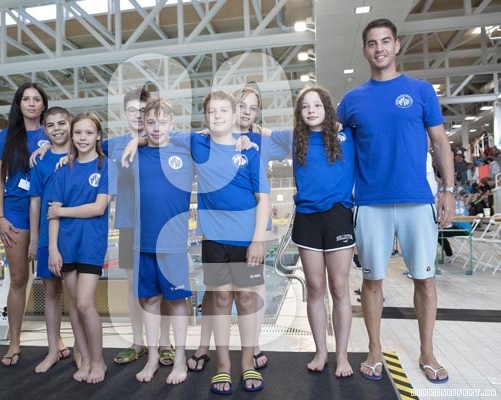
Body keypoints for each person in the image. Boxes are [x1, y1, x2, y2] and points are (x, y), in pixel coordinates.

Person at [337, 18, 454, 383]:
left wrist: (448, 190)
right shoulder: (352, 101)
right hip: (370, 202)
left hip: (417, 199)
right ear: (365, 51)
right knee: (372, 280)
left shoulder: (420, 91)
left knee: (425, 279)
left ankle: (427, 352)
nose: (380, 48)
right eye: (373, 43)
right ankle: (374, 349)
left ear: (397, 45)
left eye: (385, 41)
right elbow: (329, 143)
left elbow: (441, 144)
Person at [187, 86, 277, 372]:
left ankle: (247, 361)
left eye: (224, 110)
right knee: (221, 298)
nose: (217, 115)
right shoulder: (197, 143)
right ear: (205, 117)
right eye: (211, 112)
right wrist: (134, 141)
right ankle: (223, 365)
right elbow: (160, 134)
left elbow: (263, 199)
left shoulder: (249, 151)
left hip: (246, 238)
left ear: (234, 114)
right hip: (214, 240)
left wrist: (258, 240)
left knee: (247, 298)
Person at [268, 86, 355, 378]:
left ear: (327, 109)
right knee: (316, 288)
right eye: (305, 106)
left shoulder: (347, 135)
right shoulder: (295, 138)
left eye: (317, 105)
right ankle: (321, 351)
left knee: (339, 287)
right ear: (299, 112)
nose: (311, 111)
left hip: (338, 216)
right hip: (307, 218)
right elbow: (262, 133)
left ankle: (342, 355)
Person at [127, 98, 195, 385]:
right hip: (143, 242)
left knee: (177, 301)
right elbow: (90, 143)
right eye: (150, 122)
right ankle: (153, 357)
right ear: (143, 123)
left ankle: (179, 358)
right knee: (150, 300)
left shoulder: (185, 149)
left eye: (162, 122)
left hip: (174, 243)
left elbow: (215, 137)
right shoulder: (135, 153)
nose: (156, 128)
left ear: (172, 124)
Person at [108, 88, 174, 367]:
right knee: (134, 286)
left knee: (165, 286)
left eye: (142, 111)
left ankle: (165, 342)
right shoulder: (115, 145)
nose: (137, 115)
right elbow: (78, 143)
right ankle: (138, 342)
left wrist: (141, 140)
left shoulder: (165, 141)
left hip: (161, 225)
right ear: (124, 114)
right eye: (132, 110)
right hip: (129, 224)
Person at [47, 111, 110, 383]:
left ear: (98, 136)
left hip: (92, 243)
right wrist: (53, 248)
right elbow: (51, 213)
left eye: (88, 133)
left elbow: (98, 208)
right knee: (73, 304)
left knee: (85, 303)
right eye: (78, 133)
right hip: (66, 243)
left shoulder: (105, 166)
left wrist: (63, 212)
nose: (83, 138)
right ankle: (84, 359)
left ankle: (98, 361)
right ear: (72, 137)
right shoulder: (63, 170)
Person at [0, 82, 50, 367]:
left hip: (46, 211)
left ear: (43, 105)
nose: (31, 103)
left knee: (52, 281)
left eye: (36, 99)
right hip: (15, 212)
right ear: (19, 104)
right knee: (18, 279)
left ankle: (56, 341)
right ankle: (14, 342)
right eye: (26, 99)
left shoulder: (51, 133)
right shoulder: (6, 136)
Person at [28, 107, 74, 373]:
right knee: (51, 293)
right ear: (45, 130)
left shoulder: (81, 154)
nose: (57, 129)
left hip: (74, 234)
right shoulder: (41, 161)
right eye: (51, 125)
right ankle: (53, 350)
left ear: (70, 124)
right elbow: (35, 202)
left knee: (78, 297)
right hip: (47, 235)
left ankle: (82, 351)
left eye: (62, 123)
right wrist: (34, 239)